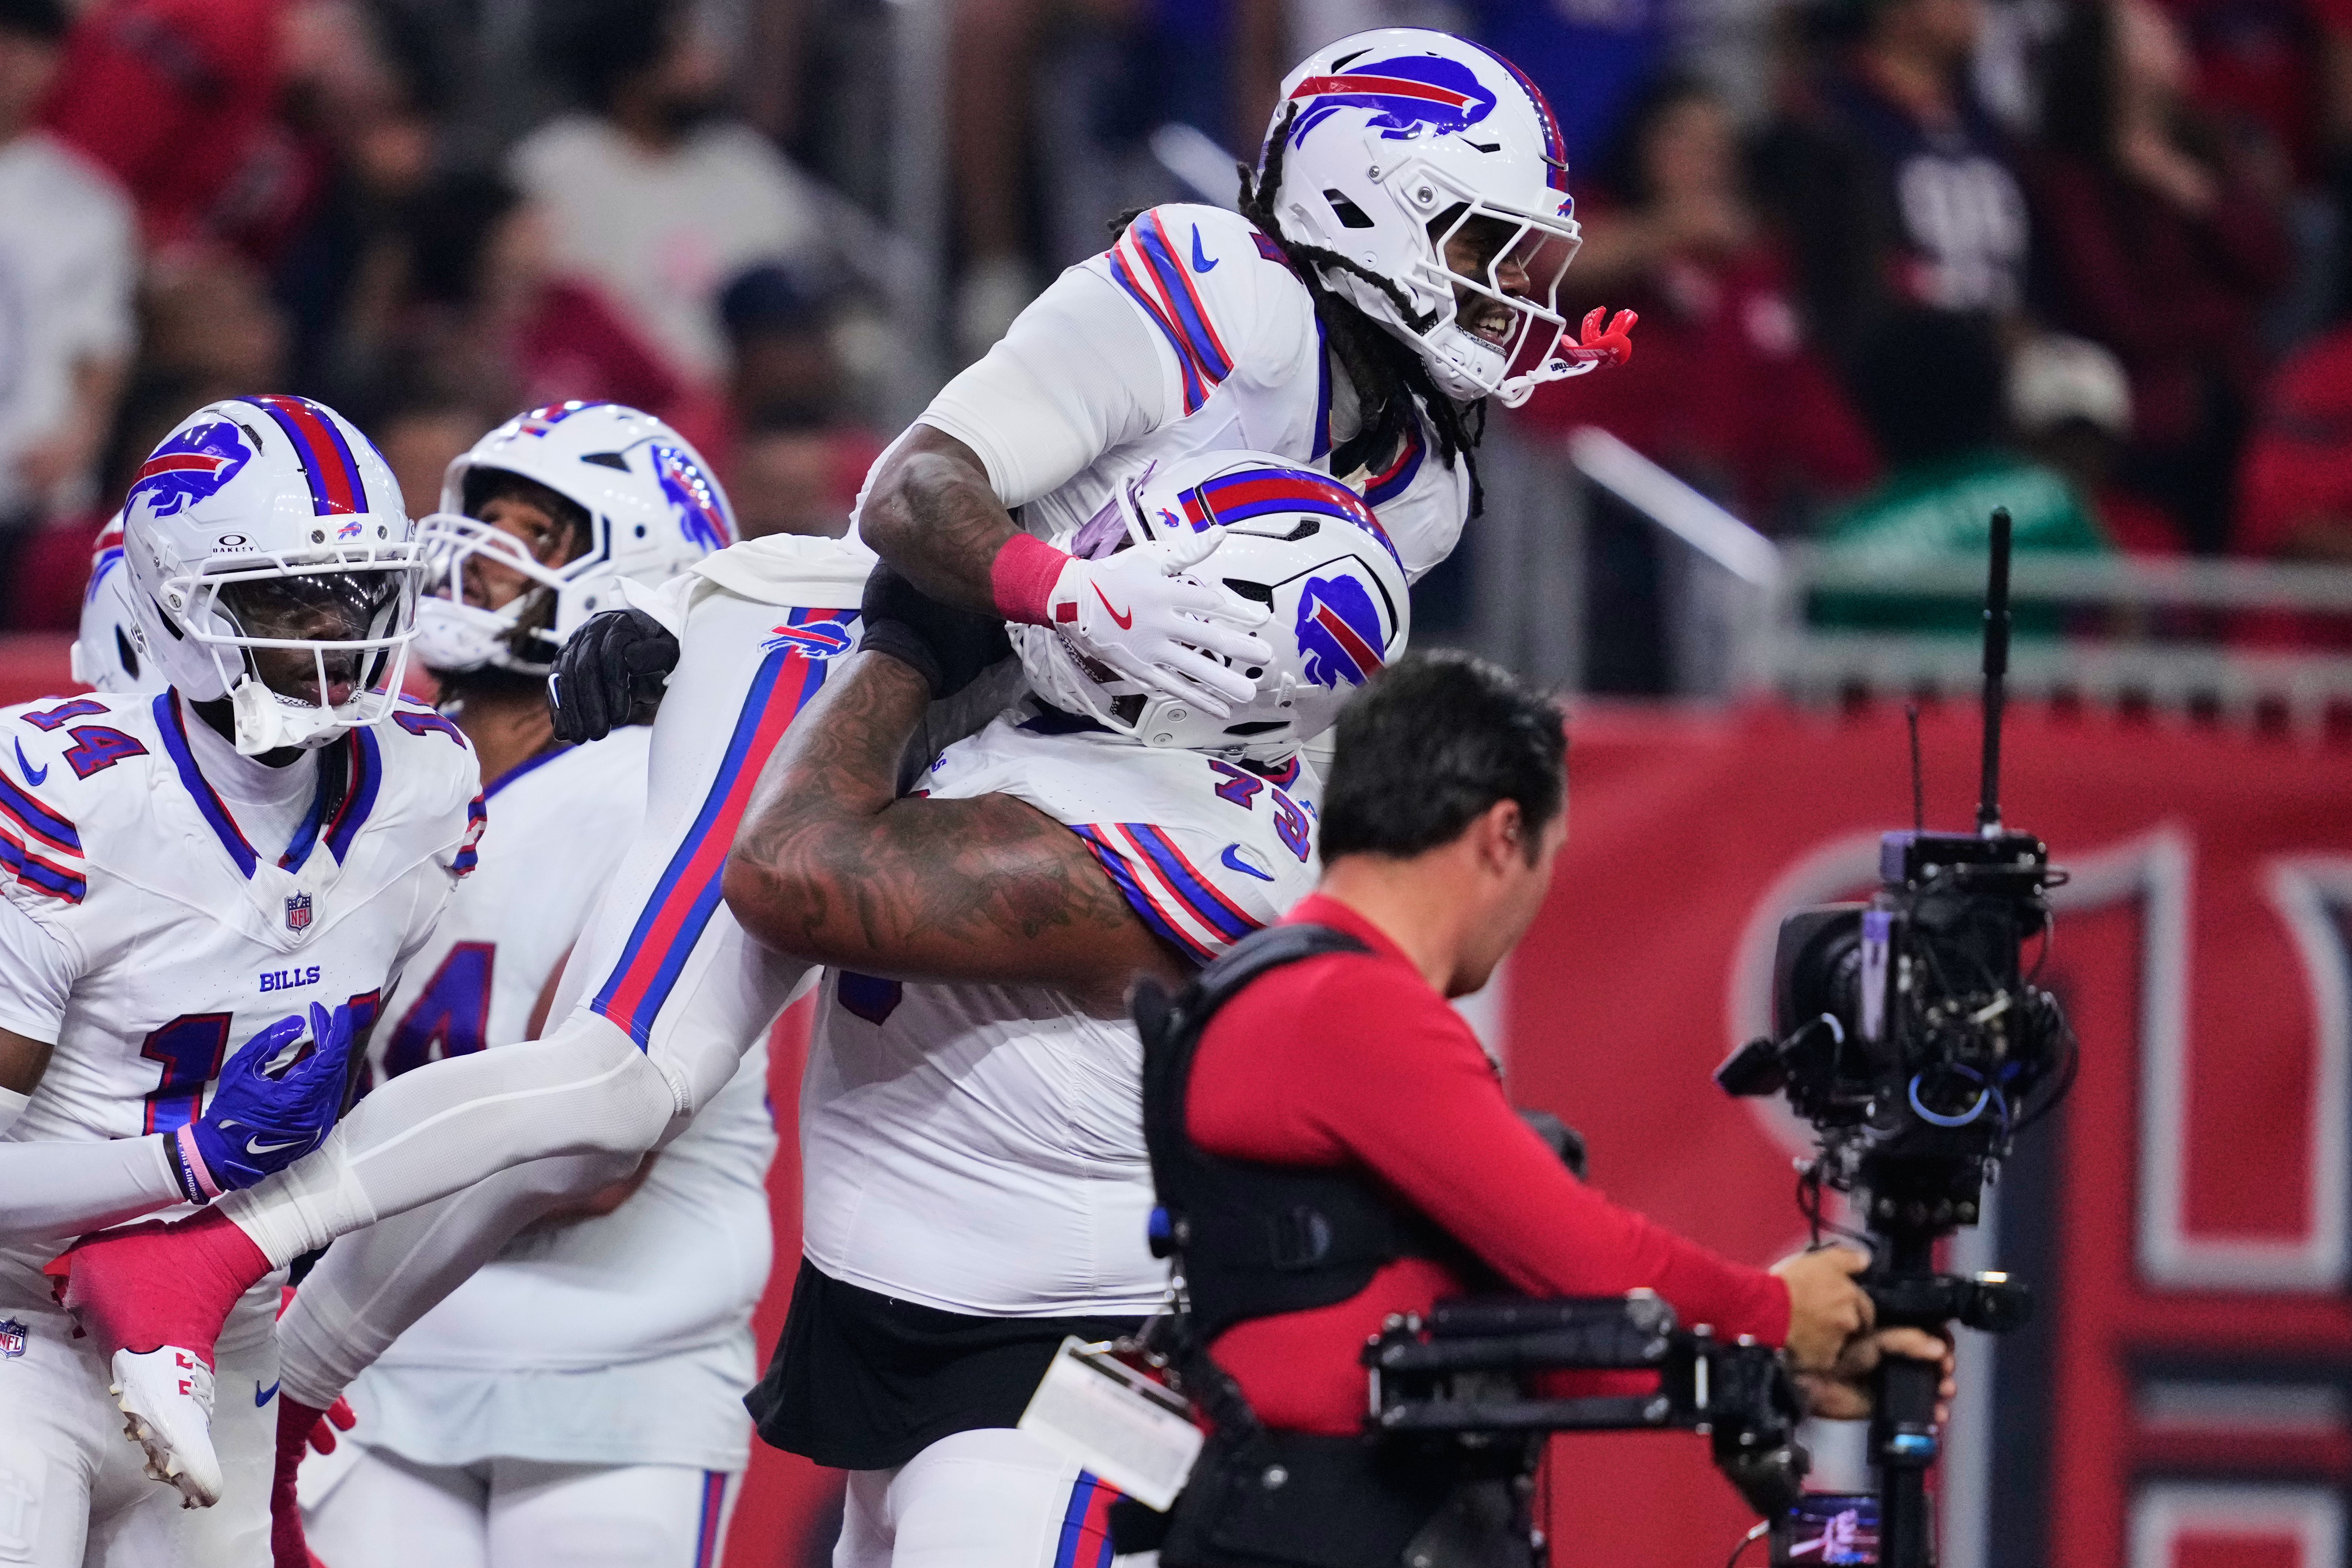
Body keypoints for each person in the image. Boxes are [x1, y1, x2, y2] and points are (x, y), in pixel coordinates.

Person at [45, 26, 1636, 1514]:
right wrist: (1054, 592)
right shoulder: (1210, 285)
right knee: (626, 1074)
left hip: (1008, 714)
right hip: (855, 645)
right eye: (1486, 248)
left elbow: (1263, 691)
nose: (1512, 297)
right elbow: (912, 488)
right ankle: (203, 1269)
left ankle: (303, 1378)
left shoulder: (1426, 482)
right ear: (1367, 199)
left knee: (618, 1122)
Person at [722, 452, 1406, 1564]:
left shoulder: (1156, 846)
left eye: (1148, 588)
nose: (1092, 581)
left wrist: (901, 648)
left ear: (1216, 669)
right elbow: (919, 485)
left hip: (1049, 1389)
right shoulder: (1129, 738)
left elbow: (785, 873)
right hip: (948, 1351)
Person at [1136, 652, 1952, 1562]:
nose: (1536, 895)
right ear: (1501, 833)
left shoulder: (1308, 997)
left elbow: (1480, 1338)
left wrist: (1769, 1365)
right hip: (1313, 1533)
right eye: (1548, 860)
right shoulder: (1345, 1006)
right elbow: (1588, 1260)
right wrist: (1772, 1309)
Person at [290, 402, 775, 1568]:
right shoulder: (373, 767)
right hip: (380, 1364)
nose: (477, 551)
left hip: (611, 1361)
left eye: (537, 533)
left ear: (643, 567)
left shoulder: (661, 790)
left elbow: (586, 1155)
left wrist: (295, 1226)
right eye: (481, 518)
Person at [0, 393, 482, 1562]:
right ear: (173, 604)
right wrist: (187, 1161)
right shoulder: (72, 793)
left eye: (359, 590)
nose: (337, 631)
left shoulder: (426, 781)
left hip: (235, 1329)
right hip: (19, 1331)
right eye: (287, 596)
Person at [1521, 72, 1876, 530]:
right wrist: (1668, 230)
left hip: (1722, 497)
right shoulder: (1592, 211)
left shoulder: (1753, 261)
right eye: (1685, 141)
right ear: (1642, 144)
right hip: (1593, 493)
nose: (1707, 160)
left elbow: (1792, 373)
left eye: (1720, 146)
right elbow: (1546, 264)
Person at [2025, 0, 2292, 553]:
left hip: (2232, 406)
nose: (2169, 36)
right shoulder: (2070, 179)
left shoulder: (2203, 151)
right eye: (2147, 31)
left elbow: (2270, 263)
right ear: (2108, 59)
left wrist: (2192, 194)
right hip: (2140, 423)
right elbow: (2120, 314)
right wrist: (2227, 313)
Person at [513, 0, 826, 394]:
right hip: (598, 407)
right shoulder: (554, 169)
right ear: (630, 71)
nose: (707, 68)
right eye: (683, 53)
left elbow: (792, 303)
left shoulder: (749, 167)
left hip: (734, 419)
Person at [1752, 0, 2030, 370]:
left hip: (2006, 356)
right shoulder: (1831, 119)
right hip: (1893, 366)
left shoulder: (1985, 122)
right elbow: (1839, 271)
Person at [0, 0, 134, 600]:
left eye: (23, 44)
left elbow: (100, 348)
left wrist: (78, 437)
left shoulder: (84, 203)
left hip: (25, 505)